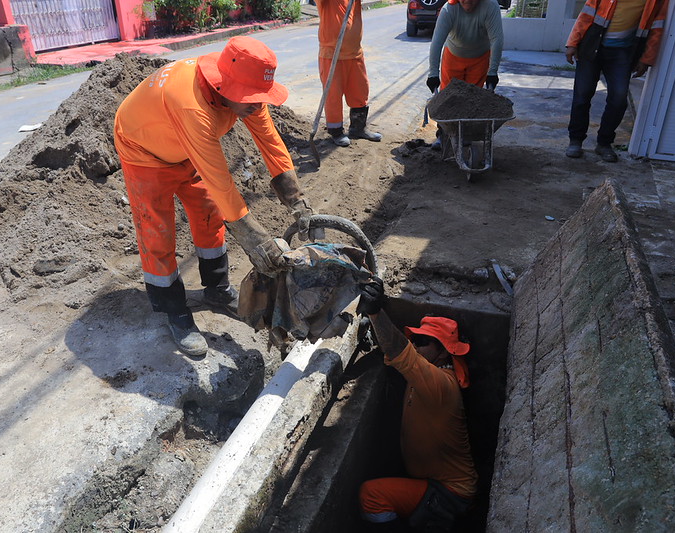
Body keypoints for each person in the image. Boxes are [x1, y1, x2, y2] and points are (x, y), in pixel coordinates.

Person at [114, 36, 318, 357]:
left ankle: (217, 291)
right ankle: (175, 311)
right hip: (144, 148)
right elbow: (221, 182)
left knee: (208, 213)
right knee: (157, 230)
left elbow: (271, 144)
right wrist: (257, 242)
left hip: (183, 146)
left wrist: (299, 204)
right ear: (225, 87)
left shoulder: (243, 84)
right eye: (252, 98)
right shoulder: (192, 104)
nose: (257, 104)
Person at [356, 277, 478, 532]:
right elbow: (397, 350)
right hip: (429, 478)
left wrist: (376, 312)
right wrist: (374, 326)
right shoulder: (427, 372)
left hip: (450, 492)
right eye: (416, 339)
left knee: (372, 495)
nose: (415, 345)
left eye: (423, 342)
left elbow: (401, 353)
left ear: (444, 352)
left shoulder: (441, 385)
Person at [564, 0, 669, 162]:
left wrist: (647, 58)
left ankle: (604, 143)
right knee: (582, 95)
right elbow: (586, 15)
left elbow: (657, 27)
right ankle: (576, 140)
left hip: (623, 53)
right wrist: (572, 43)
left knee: (619, 99)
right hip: (592, 47)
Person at [426, 0, 504, 150]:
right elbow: (437, 42)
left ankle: (466, 135)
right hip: (453, 57)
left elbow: (496, 39)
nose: (467, 1)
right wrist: (433, 73)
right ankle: (443, 134)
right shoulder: (449, 9)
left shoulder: (490, 6)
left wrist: (492, 72)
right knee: (447, 99)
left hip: (480, 59)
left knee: (472, 100)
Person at [316, 0, 382, 147]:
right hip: (331, 55)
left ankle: (358, 128)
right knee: (333, 94)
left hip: (354, 53)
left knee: (360, 90)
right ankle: (336, 132)